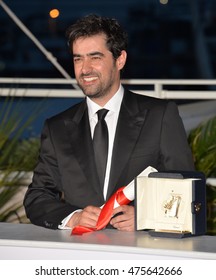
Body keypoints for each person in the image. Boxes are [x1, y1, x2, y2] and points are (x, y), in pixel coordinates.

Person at [23, 14, 195, 232]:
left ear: (120, 60)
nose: (84, 69)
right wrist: (74, 217)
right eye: (78, 59)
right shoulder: (57, 127)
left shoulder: (160, 116)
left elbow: (186, 189)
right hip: (78, 255)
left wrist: (146, 217)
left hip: (143, 256)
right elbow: (37, 197)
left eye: (95, 57)